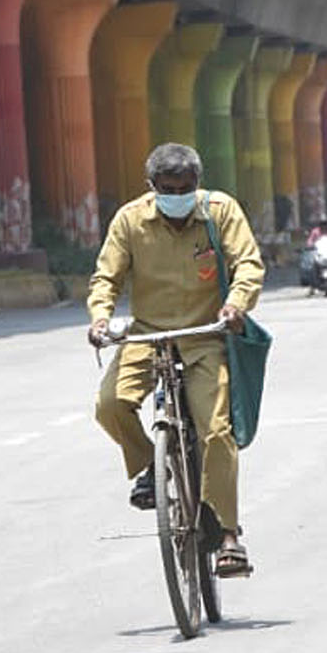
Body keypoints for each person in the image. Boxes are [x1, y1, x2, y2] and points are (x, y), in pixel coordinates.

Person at [86, 143, 264, 578]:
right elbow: (106, 277)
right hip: (148, 335)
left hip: (206, 335)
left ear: (196, 185)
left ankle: (228, 535)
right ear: (152, 187)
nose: (177, 196)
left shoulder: (220, 212)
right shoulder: (130, 220)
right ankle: (153, 463)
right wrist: (100, 317)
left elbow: (248, 264)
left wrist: (236, 305)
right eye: (168, 189)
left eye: (185, 189)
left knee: (216, 430)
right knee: (110, 405)